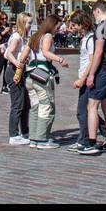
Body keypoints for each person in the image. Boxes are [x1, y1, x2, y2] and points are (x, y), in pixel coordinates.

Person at [79, 0, 106, 156]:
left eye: (93, 13)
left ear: (97, 11)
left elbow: (98, 52)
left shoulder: (102, 27)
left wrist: (91, 74)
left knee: (92, 106)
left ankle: (91, 143)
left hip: (103, 69)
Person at [25, 13, 69, 149]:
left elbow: (23, 56)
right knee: (46, 106)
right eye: (58, 26)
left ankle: (33, 138)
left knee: (35, 107)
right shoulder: (48, 36)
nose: (59, 29)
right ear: (52, 25)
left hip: (30, 75)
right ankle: (42, 139)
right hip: (42, 76)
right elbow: (45, 52)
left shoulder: (34, 36)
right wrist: (60, 60)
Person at [68, 9, 98, 151]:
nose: (73, 28)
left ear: (82, 24)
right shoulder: (86, 37)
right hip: (85, 79)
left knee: (82, 111)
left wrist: (82, 78)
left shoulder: (91, 38)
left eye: (74, 25)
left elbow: (91, 61)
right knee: (88, 110)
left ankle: (84, 140)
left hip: (87, 80)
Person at [3, 12, 32, 145]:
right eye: (28, 23)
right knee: (17, 104)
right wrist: (17, 63)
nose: (30, 25)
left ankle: (25, 132)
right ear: (22, 23)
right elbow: (7, 53)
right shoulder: (17, 37)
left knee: (25, 103)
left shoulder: (23, 37)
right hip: (14, 71)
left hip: (21, 70)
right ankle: (13, 135)